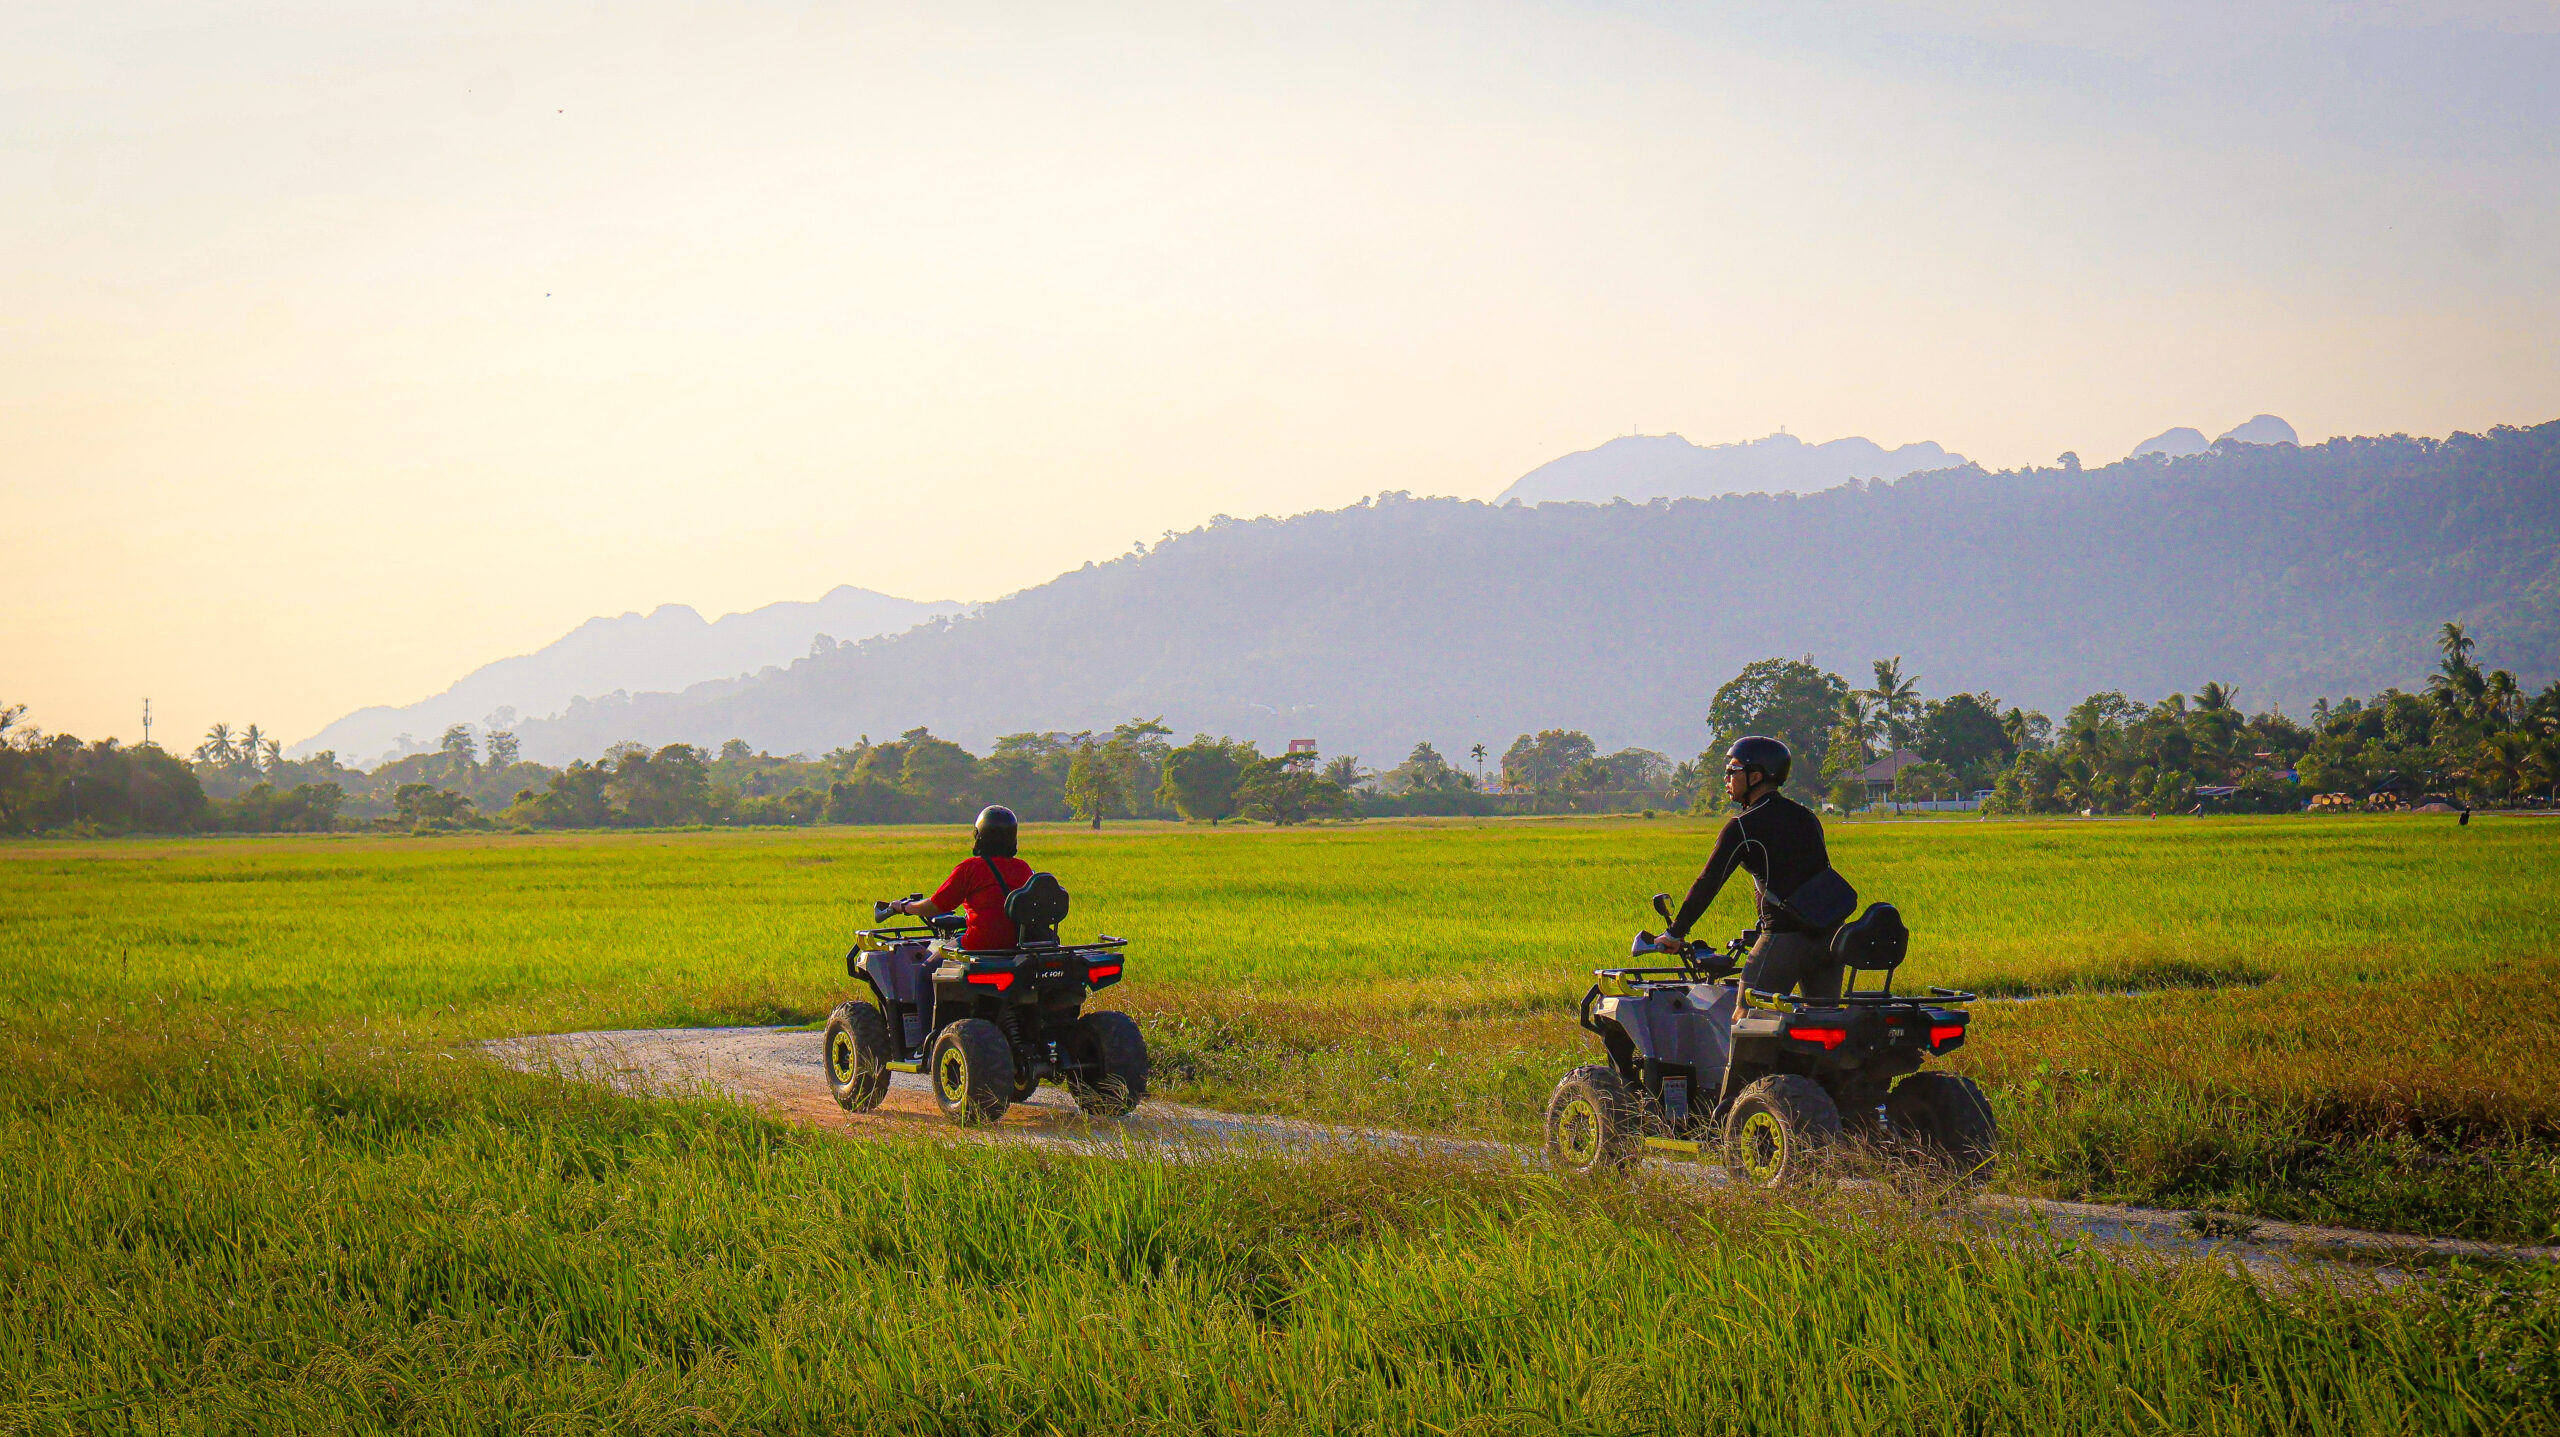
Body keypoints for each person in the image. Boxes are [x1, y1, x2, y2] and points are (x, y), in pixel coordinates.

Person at [1659, 736, 1847, 999]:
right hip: (1830, 937)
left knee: (1746, 1013)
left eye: (1732, 770)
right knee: (1823, 1016)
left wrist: (1674, 933)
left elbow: (1709, 881)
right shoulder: (1807, 817)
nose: (1726, 778)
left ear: (1756, 776)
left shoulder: (1743, 825)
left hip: (1783, 938)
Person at [882, 805, 1033, 951]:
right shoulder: (1024, 869)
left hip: (978, 945)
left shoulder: (971, 868)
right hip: (1017, 947)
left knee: (932, 957)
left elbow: (935, 906)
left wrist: (904, 906)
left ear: (979, 835)